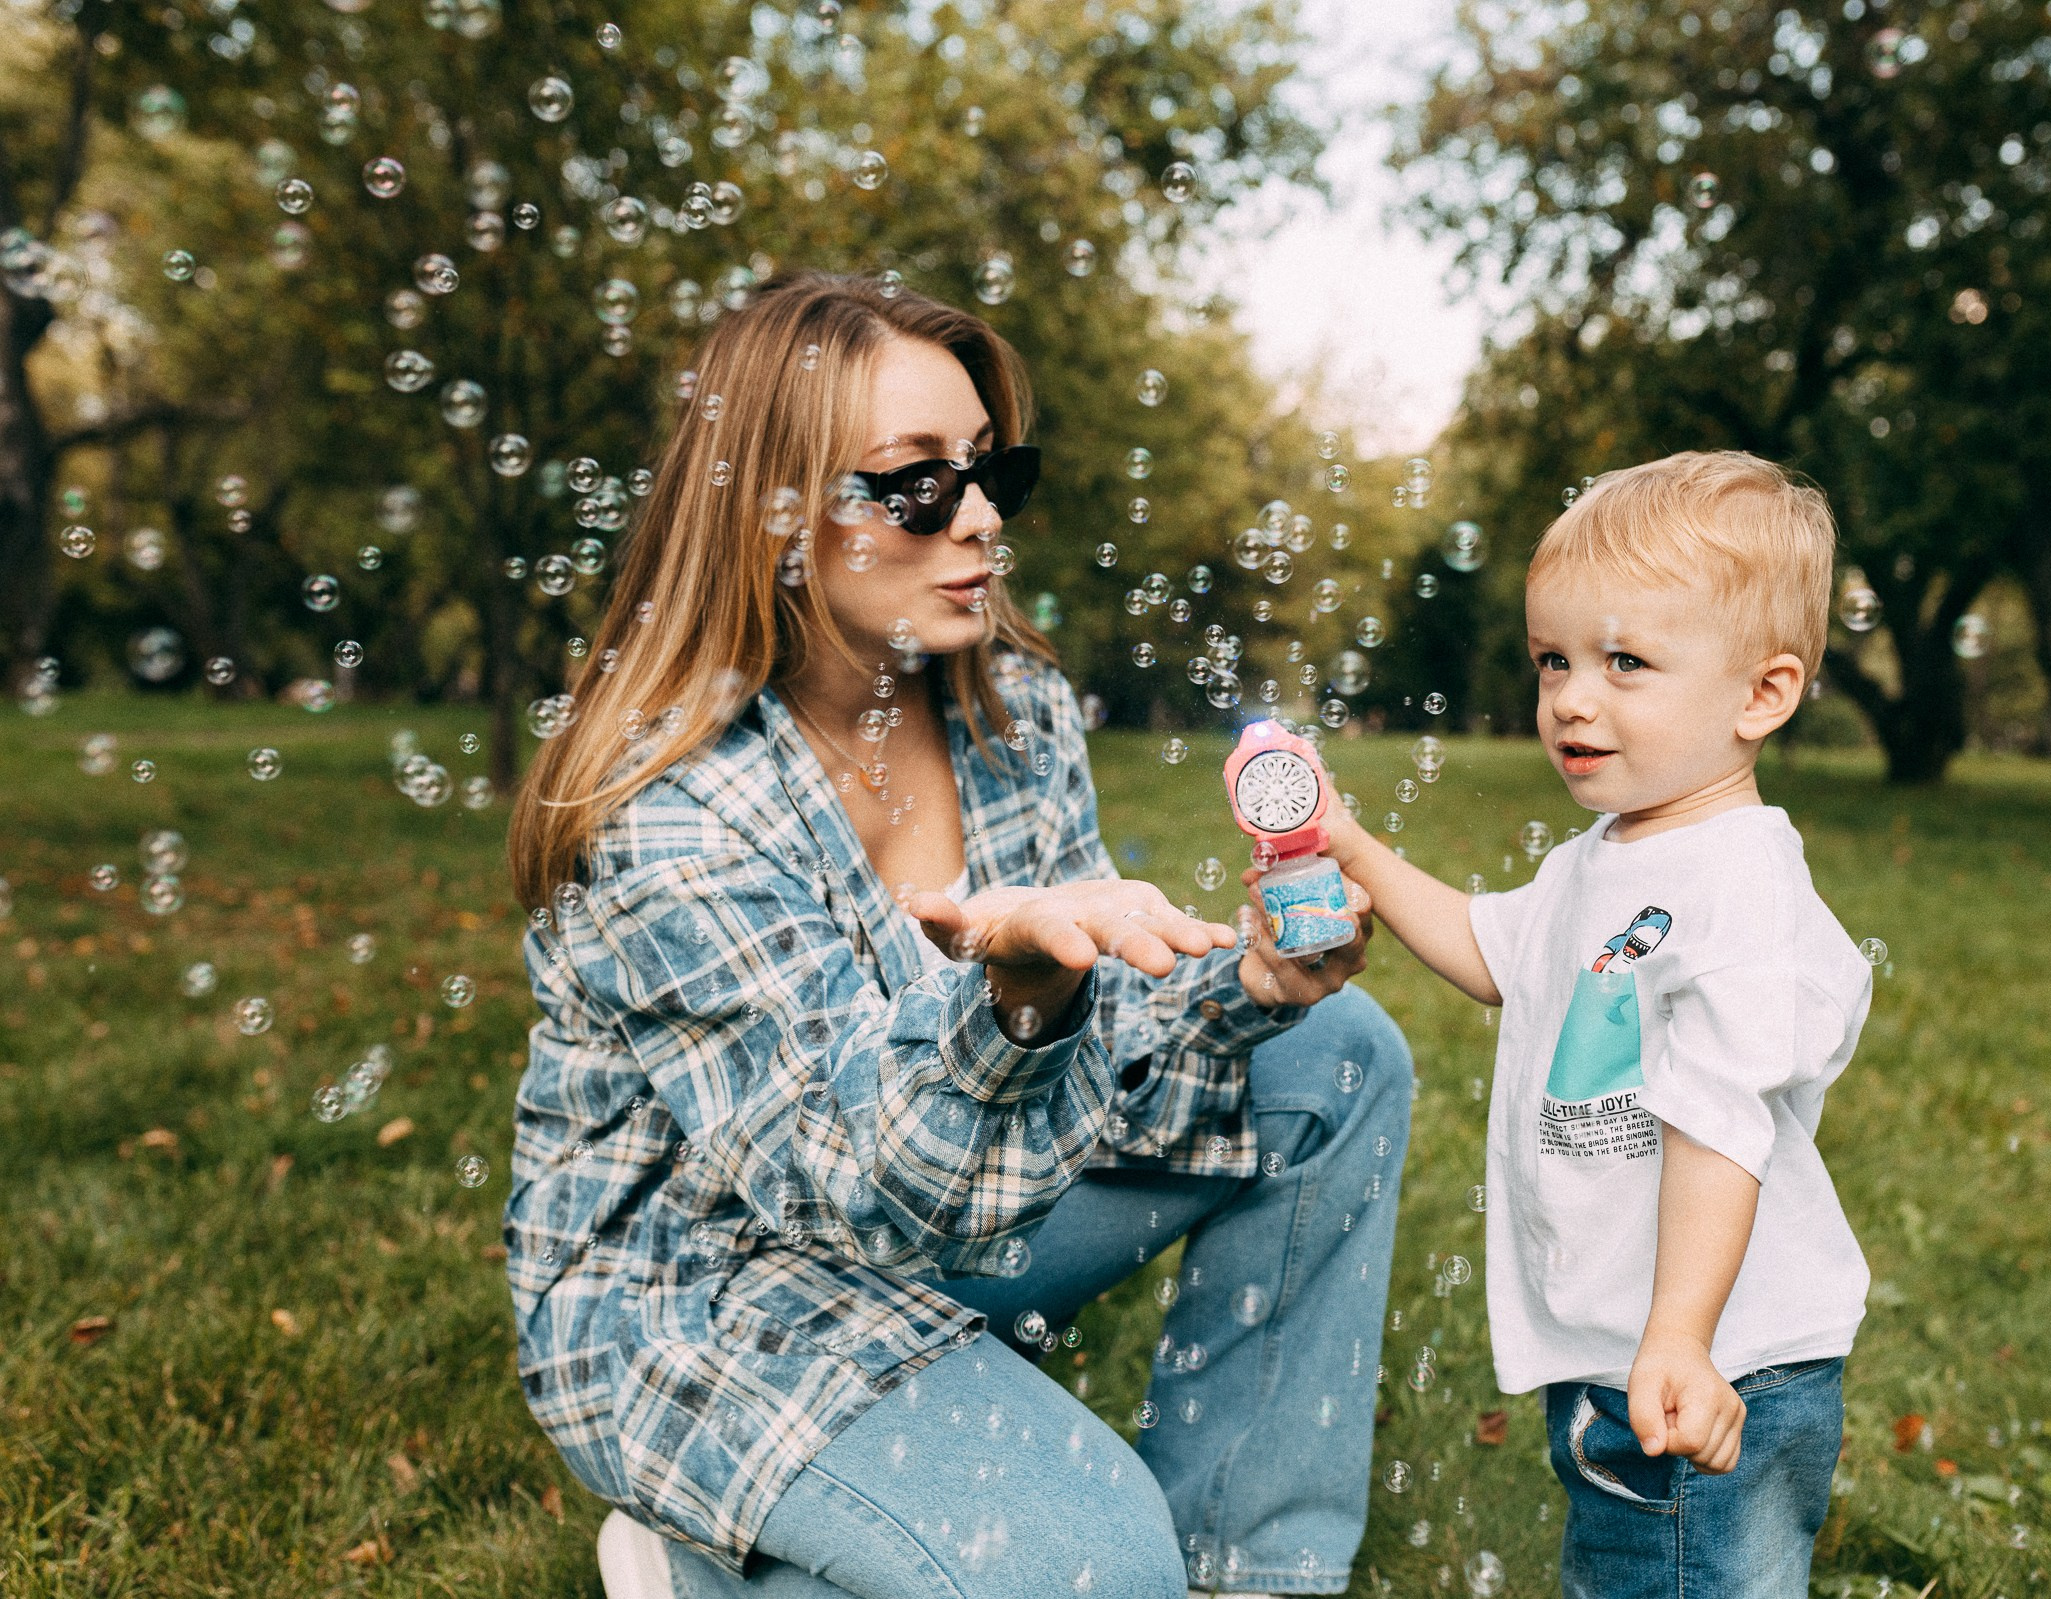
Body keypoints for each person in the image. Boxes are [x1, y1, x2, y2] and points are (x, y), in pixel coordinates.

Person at [503, 271, 1412, 1599]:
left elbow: (1110, 1060)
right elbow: (849, 1185)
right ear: (771, 514)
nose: (979, 516)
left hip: (956, 1207)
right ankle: (710, 1558)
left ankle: (1249, 1572)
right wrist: (1020, 1004)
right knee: (1095, 1568)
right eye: (916, 482)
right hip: (713, 1288)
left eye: (990, 470)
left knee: (1334, 1049)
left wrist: (1249, 982)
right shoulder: (672, 804)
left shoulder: (1012, 708)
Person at [1319, 452, 1872, 1598]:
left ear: (1759, 696)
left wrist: (1677, 1336)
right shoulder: (1607, 858)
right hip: (1638, 1347)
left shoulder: (1738, 887)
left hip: (1714, 1361)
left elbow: (1718, 1121)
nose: (1572, 697)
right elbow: (1492, 952)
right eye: (1553, 660)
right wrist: (1351, 847)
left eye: (1626, 662)